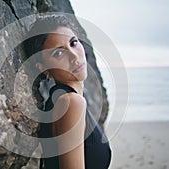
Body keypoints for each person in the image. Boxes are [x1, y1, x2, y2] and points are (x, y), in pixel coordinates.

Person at [22, 14, 111, 169]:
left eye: (73, 43)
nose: (74, 56)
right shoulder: (71, 102)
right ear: (43, 68)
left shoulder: (62, 99)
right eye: (58, 53)